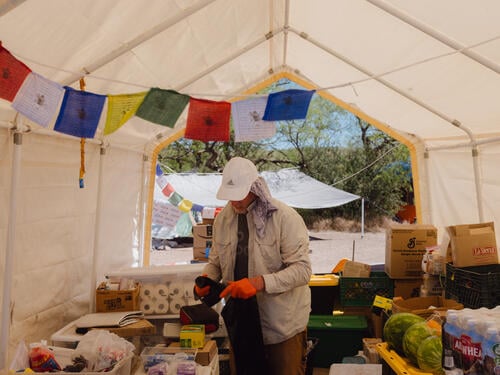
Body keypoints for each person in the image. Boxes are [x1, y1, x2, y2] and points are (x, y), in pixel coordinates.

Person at [194, 157, 312, 375]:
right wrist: (206, 280)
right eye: (230, 197)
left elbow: (303, 270)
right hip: (241, 324)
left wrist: (259, 283)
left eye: (240, 196)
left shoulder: (284, 218)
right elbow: (216, 262)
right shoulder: (223, 220)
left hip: (280, 327)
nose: (235, 203)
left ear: (255, 188)